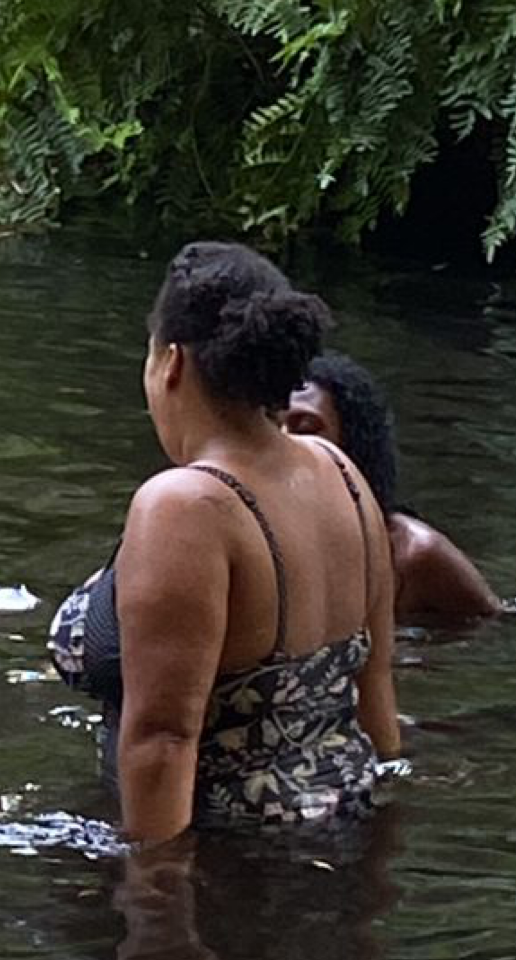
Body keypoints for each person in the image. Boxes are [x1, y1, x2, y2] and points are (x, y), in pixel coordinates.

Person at [48, 242, 400, 843]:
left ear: (173, 362)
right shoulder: (339, 471)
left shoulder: (185, 506)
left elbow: (164, 740)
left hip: (225, 862)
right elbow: (376, 695)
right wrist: (382, 858)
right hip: (343, 830)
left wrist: (157, 918)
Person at [283, 353, 501, 626]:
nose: (284, 442)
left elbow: (494, 631)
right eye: (272, 428)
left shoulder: (415, 554)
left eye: (304, 429)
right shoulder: (248, 533)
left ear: (353, 444)